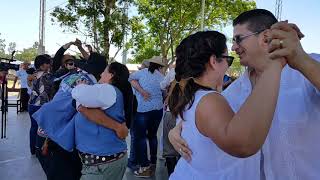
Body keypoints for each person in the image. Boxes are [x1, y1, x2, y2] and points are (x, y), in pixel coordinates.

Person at [169, 9, 320, 180]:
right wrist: (177, 129)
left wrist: (301, 60)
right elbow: (206, 117)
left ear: (265, 37)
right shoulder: (234, 90)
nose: (234, 47)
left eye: (239, 39)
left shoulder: (310, 66)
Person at [71, 62, 133, 180]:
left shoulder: (108, 90)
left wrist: (80, 86)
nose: (100, 74)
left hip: (101, 165)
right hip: (101, 162)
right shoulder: (111, 92)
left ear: (111, 75)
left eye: (104, 71)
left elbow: (80, 95)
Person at [129, 56, 165, 177]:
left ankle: (145, 166)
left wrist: (141, 91)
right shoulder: (161, 77)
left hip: (143, 110)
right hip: (158, 110)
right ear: (159, 66)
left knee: (141, 138)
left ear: (149, 64)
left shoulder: (142, 72)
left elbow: (130, 79)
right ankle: (153, 163)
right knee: (152, 136)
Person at [27, 54, 54, 177]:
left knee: (33, 127)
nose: (49, 65)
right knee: (41, 129)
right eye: (48, 63)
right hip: (41, 105)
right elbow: (50, 91)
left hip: (31, 104)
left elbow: (29, 86)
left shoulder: (32, 75)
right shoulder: (47, 76)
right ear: (43, 64)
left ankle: (33, 150)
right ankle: (40, 150)